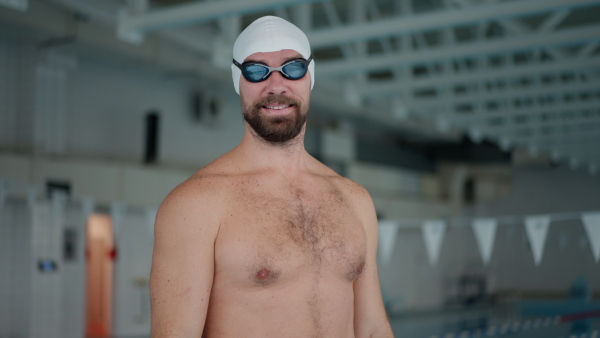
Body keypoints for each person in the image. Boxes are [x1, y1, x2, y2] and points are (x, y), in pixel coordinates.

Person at [150, 16, 394, 337]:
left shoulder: (355, 199)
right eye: (256, 71)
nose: (276, 85)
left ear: (310, 76)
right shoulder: (194, 205)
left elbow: (374, 328)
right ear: (238, 81)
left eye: (292, 68)